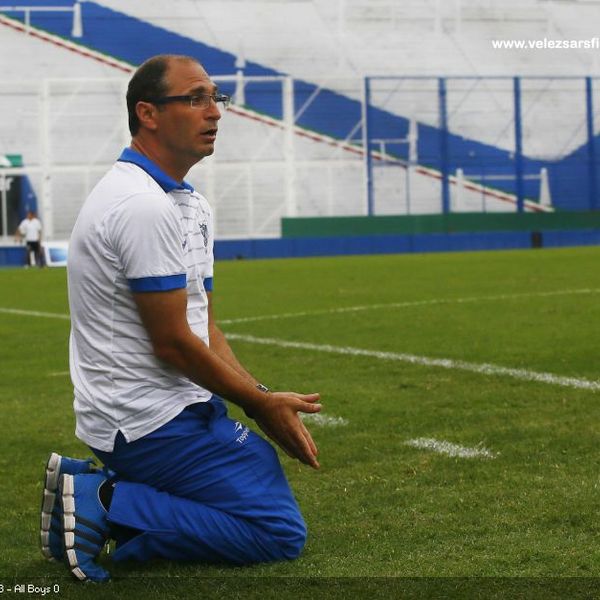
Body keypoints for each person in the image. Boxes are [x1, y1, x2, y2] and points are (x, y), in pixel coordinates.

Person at [40, 54, 322, 583]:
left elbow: (205, 328)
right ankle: (105, 499)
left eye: (216, 98)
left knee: (259, 465)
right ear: (147, 113)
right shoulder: (140, 206)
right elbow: (172, 342)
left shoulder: (188, 205)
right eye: (195, 99)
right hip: (145, 421)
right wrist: (257, 404)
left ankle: (106, 503)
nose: (214, 112)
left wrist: (258, 396)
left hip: (173, 407)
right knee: (278, 532)